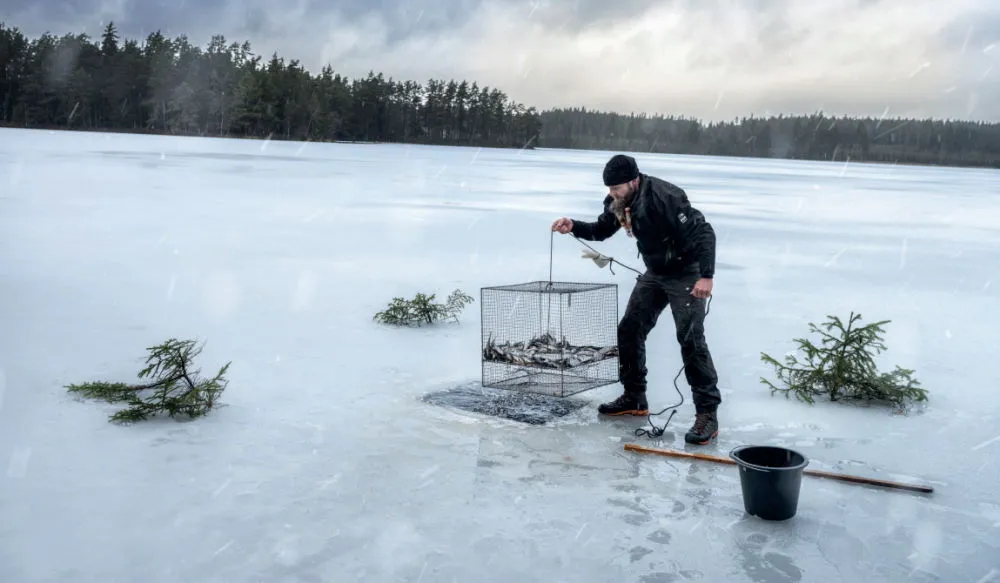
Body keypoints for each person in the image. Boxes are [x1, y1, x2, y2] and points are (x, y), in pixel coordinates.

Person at [551, 154, 722, 445]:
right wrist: (573, 226)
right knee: (629, 329)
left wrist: (706, 276)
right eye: (608, 188)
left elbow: (704, 232)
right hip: (655, 272)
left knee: (691, 338)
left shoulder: (666, 197)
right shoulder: (618, 201)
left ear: (634, 181)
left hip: (687, 272)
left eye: (616, 187)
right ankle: (634, 397)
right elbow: (602, 230)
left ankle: (707, 414)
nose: (611, 193)